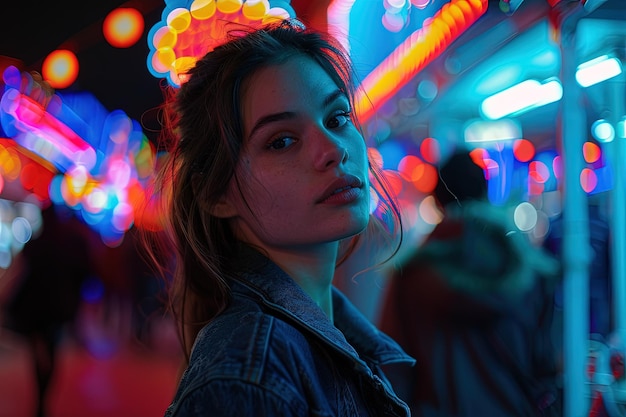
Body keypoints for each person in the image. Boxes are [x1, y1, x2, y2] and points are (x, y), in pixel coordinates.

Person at [140, 19, 415, 416]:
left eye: (336, 118)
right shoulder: (249, 384)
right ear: (216, 195)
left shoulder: (325, 341)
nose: (332, 149)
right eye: (282, 141)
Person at [378, 150, 562, 416]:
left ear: (438, 201)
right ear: (485, 194)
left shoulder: (413, 277)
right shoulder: (532, 274)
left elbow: (393, 368)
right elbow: (547, 366)